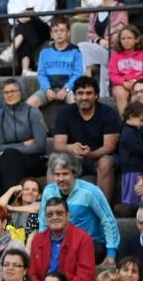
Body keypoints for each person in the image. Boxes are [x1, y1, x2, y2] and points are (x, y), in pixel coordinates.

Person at [37, 152, 120, 266]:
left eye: (65, 174)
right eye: (57, 174)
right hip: (60, 243)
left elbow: (108, 220)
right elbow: (43, 222)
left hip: (91, 243)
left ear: (74, 174)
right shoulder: (49, 191)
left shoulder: (90, 191)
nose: (61, 179)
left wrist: (111, 253)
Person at [52, 76, 121, 204]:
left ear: (96, 95)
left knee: (105, 162)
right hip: (74, 158)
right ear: (74, 95)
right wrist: (71, 148)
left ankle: (103, 211)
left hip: (101, 156)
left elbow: (109, 146)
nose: (84, 97)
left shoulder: (108, 113)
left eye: (89, 93)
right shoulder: (65, 113)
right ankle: (57, 208)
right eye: (80, 93)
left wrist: (90, 154)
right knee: (56, 161)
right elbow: (58, 144)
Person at [29, 197, 97, 281]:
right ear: (45, 218)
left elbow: (85, 277)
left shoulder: (83, 238)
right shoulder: (38, 240)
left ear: (68, 215)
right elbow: (32, 274)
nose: (54, 217)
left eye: (59, 213)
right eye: (50, 214)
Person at [0, 79, 49, 196]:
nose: (9, 94)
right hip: (9, 160)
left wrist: (10, 150)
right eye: (6, 92)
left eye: (13, 91)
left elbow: (40, 146)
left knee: (9, 159)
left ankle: (5, 202)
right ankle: (12, 201)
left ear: (21, 92)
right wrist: (24, 144)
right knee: (10, 159)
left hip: (32, 161)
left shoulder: (33, 112)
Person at [27, 17, 82, 110]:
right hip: (48, 89)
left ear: (68, 32)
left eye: (62, 30)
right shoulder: (45, 53)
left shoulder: (75, 52)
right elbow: (42, 74)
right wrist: (47, 89)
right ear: (51, 34)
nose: (59, 33)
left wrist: (66, 89)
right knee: (27, 107)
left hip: (68, 89)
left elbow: (78, 74)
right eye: (55, 31)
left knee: (78, 106)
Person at [110, 27, 143, 115]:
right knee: (120, 93)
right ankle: (125, 121)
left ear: (137, 39)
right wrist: (123, 82)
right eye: (123, 39)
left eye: (129, 38)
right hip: (121, 85)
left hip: (140, 82)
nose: (126, 41)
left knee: (139, 90)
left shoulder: (142, 54)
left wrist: (136, 82)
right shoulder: (116, 56)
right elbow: (113, 74)